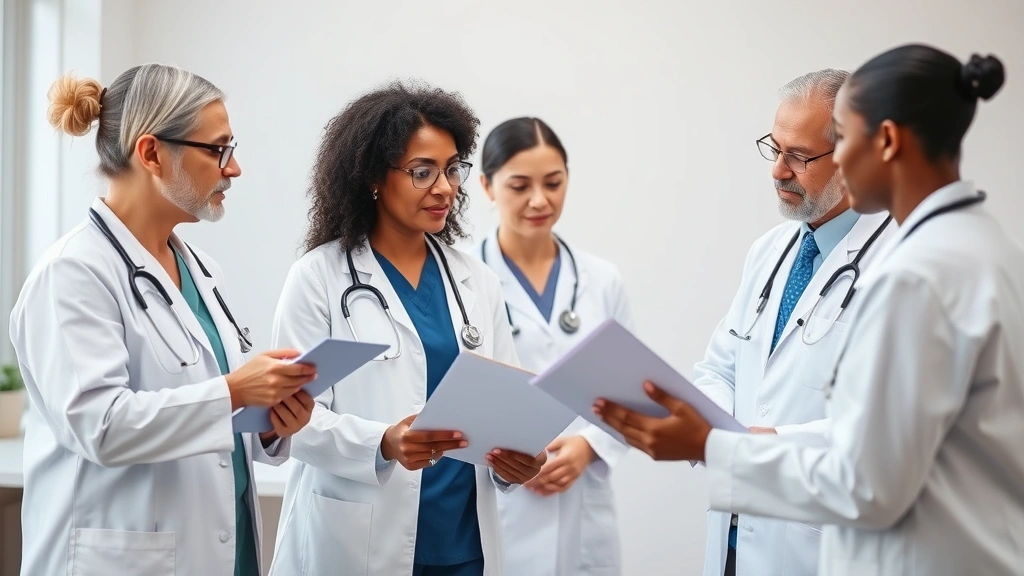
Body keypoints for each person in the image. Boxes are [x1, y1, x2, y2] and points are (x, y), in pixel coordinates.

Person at [594, 44, 1023, 576]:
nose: (833, 160)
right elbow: (882, 433)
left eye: (837, 142)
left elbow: (868, 478)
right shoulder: (985, 247)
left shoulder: (920, 273)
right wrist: (716, 431)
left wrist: (716, 445)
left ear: (886, 141)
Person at [8, 64, 317, 576]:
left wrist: (269, 423)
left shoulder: (201, 271)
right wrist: (236, 392)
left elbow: (210, 415)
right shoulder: (72, 274)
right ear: (151, 153)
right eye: (218, 149)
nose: (233, 168)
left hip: (219, 551)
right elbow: (102, 428)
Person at [268, 81, 547, 576]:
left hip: (464, 545)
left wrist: (517, 461)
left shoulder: (476, 281)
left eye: (452, 168)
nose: (444, 187)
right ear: (375, 176)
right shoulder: (318, 279)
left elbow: (507, 405)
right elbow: (290, 419)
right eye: (423, 172)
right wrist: (382, 442)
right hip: (358, 544)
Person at [688, 69, 897, 576]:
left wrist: (764, 446)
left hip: (822, 544)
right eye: (774, 148)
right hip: (738, 533)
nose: (778, 170)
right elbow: (721, 368)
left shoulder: (901, 263)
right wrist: (707, 424)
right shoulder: (770, 251)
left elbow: (889, 428)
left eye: (799, 157)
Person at [474, 117, 633, 576]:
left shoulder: (603, 280)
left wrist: (589, 447)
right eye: (520, 185)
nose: (540, 200)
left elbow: (632, 388)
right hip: (498, 494)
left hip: (582, 501)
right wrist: (513, 457)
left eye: (554, 183)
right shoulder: (463, 281)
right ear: (487, 186)